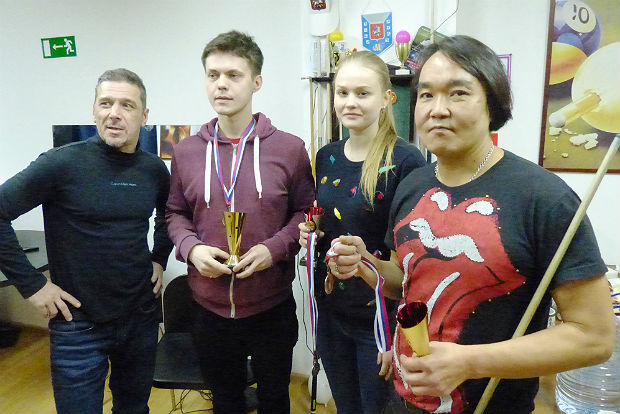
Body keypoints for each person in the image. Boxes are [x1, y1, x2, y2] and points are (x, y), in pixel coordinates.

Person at [331, 35, 616, 414]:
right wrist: (367, 263)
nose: (437, 109)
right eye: (427, 95)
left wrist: (469, 362)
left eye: (458, 93)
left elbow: (594, 337)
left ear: (492, 103)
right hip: (404, 400)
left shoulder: (544, 198)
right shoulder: (412, 185)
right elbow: (407, 281)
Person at [0, 68, 173, 414]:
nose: (114, 113)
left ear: (144, 116)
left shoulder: (154, 169)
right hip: (77, 324)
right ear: (94, 111)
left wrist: (159, 258)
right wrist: (33, 285)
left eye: (127, 105)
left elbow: (168, 216)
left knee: (135, 409)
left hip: (140, 317)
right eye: (106, 103)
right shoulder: (60, 164)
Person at [165, 30, 314, 414]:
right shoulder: (186, 152)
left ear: (256, 82)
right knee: (226, 402)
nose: (222, 84)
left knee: (274, 401)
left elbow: (305, 212)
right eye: (213, 75)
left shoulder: (289, 149)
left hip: (271, 306)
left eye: (234, 75)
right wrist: (191, 249)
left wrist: (273, 249)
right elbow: (174, 212)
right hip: (208, 308)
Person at [299, 50, 426, 414]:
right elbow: (328, 221)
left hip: (379, 319)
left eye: (362, 93)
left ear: (387, 98)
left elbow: (411, 255)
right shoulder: (326, 156)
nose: (350, 102)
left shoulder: (406, 160)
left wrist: (396, 334)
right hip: (332, 312)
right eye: (342, 93)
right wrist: (311, 232)